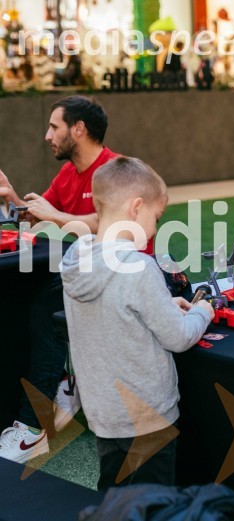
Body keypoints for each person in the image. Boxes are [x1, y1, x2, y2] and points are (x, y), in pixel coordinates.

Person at [60, 156, 214, 491]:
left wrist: (162, 303)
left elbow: (112, 311)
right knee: (152, 504)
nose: (156, 228)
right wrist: (203, 310)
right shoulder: (139, 267)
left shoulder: (76, 260)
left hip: (102, 414)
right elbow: (178, 337)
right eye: (156, 217)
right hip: (148, 418)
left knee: (114, 501)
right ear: (137, 207)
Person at [0, 96, 119, 463]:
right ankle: (64, 384)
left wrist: (57, 214)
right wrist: (12, 198)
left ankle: (34, 427)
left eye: (54, 126)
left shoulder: (115, 169)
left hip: (122, 273)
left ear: (78, 129)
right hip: (86, 272)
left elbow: (116, 224)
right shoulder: (68, 173)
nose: (47, 135)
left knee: (46, 308)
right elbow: (41, 219)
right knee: (30, 294)